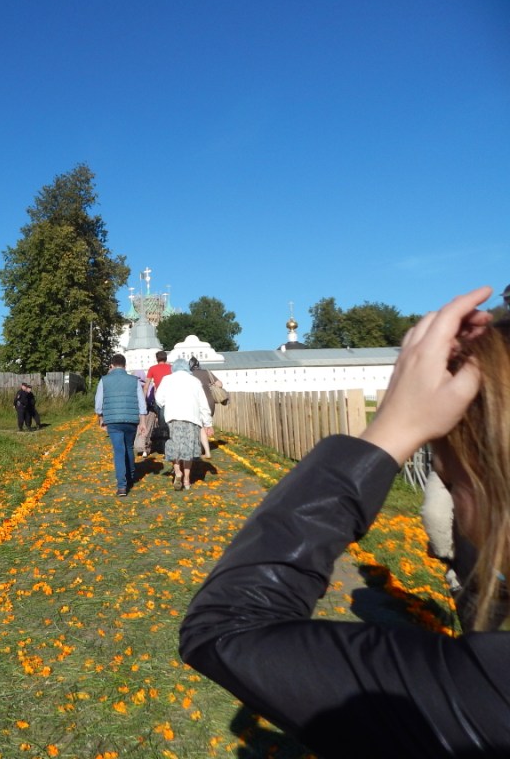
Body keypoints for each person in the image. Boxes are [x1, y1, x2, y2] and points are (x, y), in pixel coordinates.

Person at [179, 286, 510, 757]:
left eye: (454, 485)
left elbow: (225, 629)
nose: (455, 513)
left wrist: (391, 430)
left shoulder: (488, 693)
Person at [155, 357, 212, 490]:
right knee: (188, 448)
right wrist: (208, 422)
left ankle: (177, 472)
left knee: (175, 445)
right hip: (192, 417)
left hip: (174, 416)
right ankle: (186, 479)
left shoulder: (167, 379)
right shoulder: (195, 381)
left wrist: (165, 405)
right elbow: (203, 403)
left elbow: (158, 398)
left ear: (173, 368)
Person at [95, 353, 148, 496]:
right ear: (125, 366)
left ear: (111, 365)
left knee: (119, 450)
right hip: (131, 419)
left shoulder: (104, 380)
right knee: (129, 447)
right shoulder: (134, 380)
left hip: (113, 420)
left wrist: (101, 417)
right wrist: (143, 421)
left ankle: (121, 486)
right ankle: (131, 476)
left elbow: (99, 403)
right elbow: (141, 402)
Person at [188, 356, 224, 459]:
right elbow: (220, 384)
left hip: (196, 403)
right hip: (209, 402)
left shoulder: (189, 375)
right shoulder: (207, 372)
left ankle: (199, 449)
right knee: (203, 426)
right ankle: (205, 450)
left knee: (197, 426)